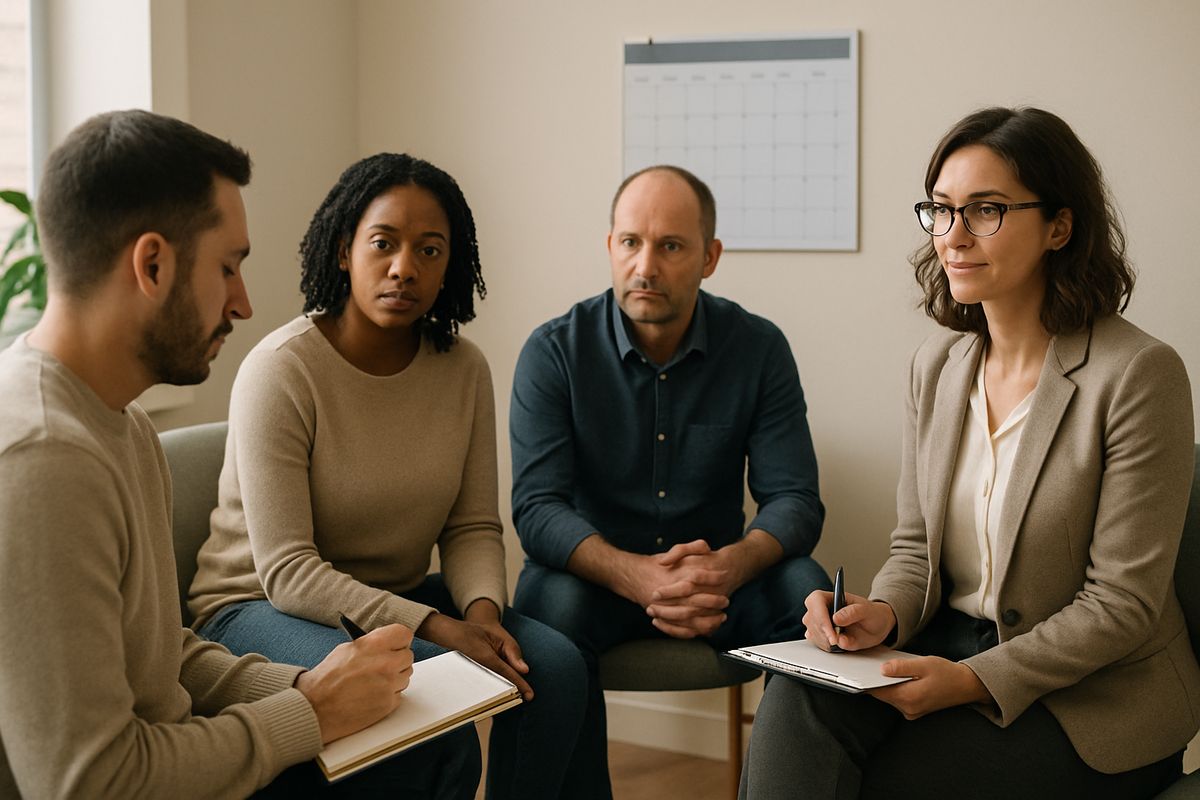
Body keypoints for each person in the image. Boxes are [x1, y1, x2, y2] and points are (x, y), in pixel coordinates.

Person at [0, 109, 468, 799]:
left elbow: (163, 658)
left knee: (425, 739)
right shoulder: (44, 461)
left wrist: (308, 686)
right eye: (229, 267)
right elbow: (93, 783)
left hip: (188, 751)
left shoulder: (119, 424)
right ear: (152, 265)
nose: (244, 303)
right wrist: (308, 713)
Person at [740, 107, 1200, 799]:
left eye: (985, 210)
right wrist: (883, 614)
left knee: (896, 781)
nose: (953, 237)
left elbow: (1122, 605)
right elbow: (916, 549)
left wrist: (976, 680)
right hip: (949, 649)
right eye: (941, 210)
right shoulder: (939, 365)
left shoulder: (1138, 374)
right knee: (797, 697)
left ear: (1059, 226)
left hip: (1094, 702)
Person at [187, 152, 589, 800]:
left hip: (393, 600)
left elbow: (472, 525)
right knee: (440, 705)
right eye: (384, 244)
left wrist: (483, 614)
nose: (406, 267)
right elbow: (288, 570)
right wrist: (439, 629)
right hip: (256, 607)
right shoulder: (282, 370)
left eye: (430, 251)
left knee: (558, 671)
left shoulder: (463, 369)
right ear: (345, 251)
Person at [510, 164, 830, 797]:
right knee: (549, 608)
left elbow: (794, 498)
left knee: (808, 592)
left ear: (710, 257)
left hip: (718, 582)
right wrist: (638, 576)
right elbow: (537, 507)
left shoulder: (759, 348)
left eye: (671, 246)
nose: (646, 266)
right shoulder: (553, 352)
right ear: (610, 247)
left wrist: (729, 568)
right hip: (597, 579)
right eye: (630, 242)